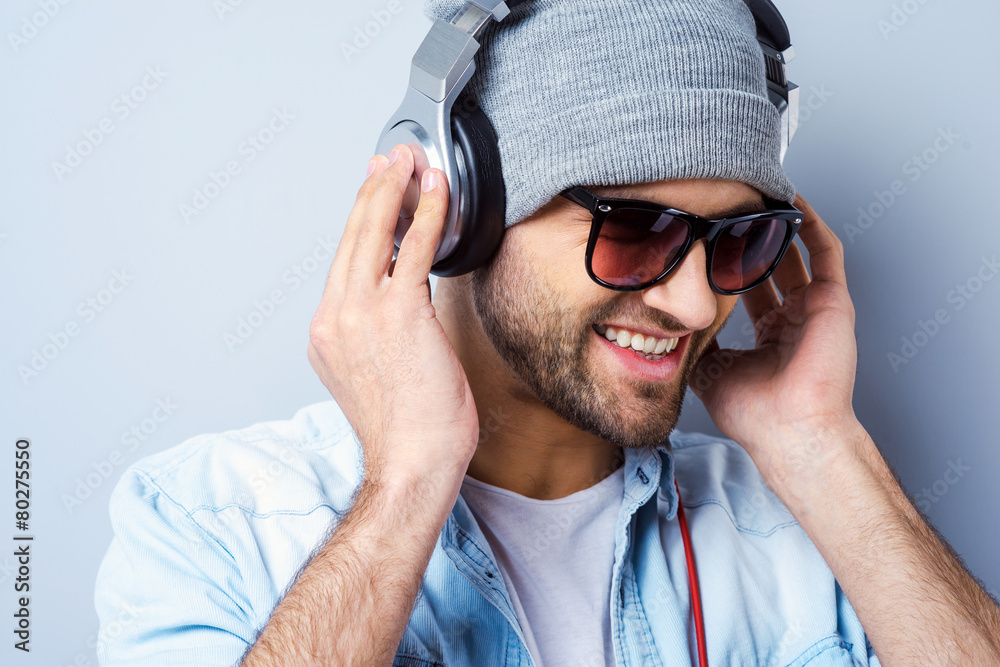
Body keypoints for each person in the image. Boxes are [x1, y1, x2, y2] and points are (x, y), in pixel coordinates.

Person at [94, 0, 1000, 665]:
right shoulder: (205, 522)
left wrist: (820, 446)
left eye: (737, 239)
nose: (694, 307)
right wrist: (407, 486)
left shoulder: (810, 531)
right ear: (462, 211)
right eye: (635, 229)